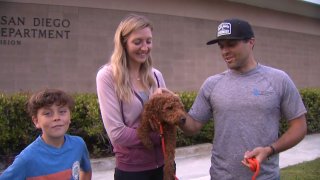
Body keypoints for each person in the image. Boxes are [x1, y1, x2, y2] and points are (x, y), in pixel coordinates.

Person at [179, 18, 307, 179]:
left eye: (231, 44)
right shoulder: (212, 84)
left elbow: (299, 126)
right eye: (221, 46)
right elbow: (193, 126)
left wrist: (269, 150)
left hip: (265, 176)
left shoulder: (278, 80)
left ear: (251, 42)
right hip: (221, 176)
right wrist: (175, 112)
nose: (225, 51)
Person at [96, 14, 167, 180]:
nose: (144, 47)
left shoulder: (156, 76)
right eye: (137, 42)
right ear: (123, 43)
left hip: (164, 166)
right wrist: (160, 136)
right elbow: (117, 133)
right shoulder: (107, 76)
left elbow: (168, 118)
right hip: (132, 171)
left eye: (148, 41)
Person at [0, 89, 92, 180]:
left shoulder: (78, 144)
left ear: (70, 116)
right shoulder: (27, 159)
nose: (56, 118)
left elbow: (86, 171)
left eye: (62, 112)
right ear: (36, 121)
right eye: (48, 113)